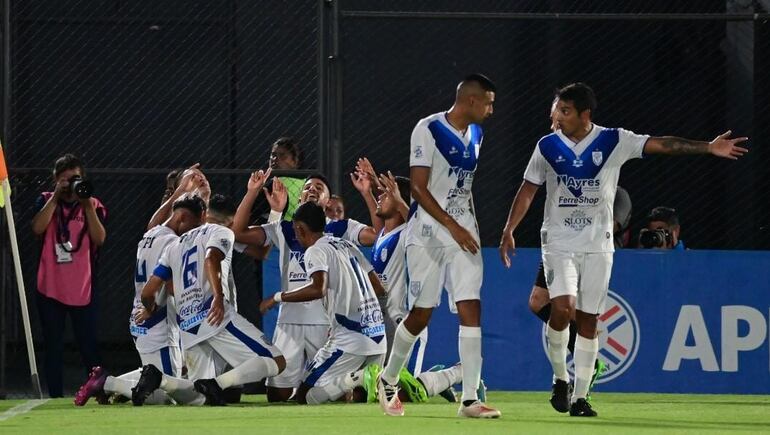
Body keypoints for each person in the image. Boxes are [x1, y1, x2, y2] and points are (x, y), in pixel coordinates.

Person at [499, 82, 748, 417]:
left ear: (585, 114)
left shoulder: (613, 140)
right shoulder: (546, 146)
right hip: (559, 242)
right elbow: (528, 189)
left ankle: (581, 396)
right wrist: (509, 229)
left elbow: (663, 145)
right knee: (561, 309)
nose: (557, 116)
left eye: (565, 110)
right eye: (557, 109)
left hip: (598, 246)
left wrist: (708, 147)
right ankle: (560, 378)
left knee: (588, 321)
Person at [376, 73, 501, 418]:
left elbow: (464, 186)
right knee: (421, 315)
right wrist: (453, 226)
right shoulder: (427, 129)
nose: (492, 109)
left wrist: (469, 226)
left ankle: (470, 399)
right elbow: (417, 188)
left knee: (471, 308)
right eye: (489, 102)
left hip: (463, 233)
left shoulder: (477, 133)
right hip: (428, 234)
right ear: (472, 100)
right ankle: (388, 380)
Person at [232, 171, 378, 402]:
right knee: (276, 395)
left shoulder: (342, 229)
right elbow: (238, 233)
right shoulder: (284, 228)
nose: (312, 189)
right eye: (307, 187)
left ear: (328, 201)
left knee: (332, 396)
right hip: (289, 322)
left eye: (319, 187)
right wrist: (252, 192)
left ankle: (353, 387)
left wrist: (367, 193)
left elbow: (378, 234)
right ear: (299, 199)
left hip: (326, 322)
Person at [132, 190, 286, 406]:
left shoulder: (173, 245)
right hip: (216, 316)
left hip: (188, 324)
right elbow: (212, 258)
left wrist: (150, 308)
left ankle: (161, 380)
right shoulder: (219, 232)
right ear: (204, 215)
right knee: (276, 361)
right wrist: (218, 296)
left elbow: (149, 292)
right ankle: (216, 384)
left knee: (201, 396)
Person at [74, 172, 206, 406]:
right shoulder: (174, 243)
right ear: (183, 219)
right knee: (165, 395)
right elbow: (172, 288)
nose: (192, 232)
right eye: (193, 226)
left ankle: (107, 383)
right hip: (156, 322)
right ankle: (108, 383)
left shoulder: (151, 234)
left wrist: (180, 192)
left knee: (156, 376)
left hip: (140, 321)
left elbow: (156, 220)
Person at [258, 202, 386, 404]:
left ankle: (357, 377)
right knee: (359, 401)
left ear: (300, 228)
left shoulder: (316, 251)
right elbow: (379, 288)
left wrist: (277, 297)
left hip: (350, 340)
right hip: (378, 335)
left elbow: (318, 288)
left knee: (304, 396)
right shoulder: (346, 245)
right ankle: (360, 380)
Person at [31, 153, 107, 398]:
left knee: (89, 345)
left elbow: (100, 239)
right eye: (64, 180)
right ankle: (54, 395)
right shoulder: (45, 200)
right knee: (52, 345)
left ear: (82, 178)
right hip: (50, 286)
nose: (70, 184)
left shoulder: (93, 205)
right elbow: (37, 228)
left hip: (82, 287)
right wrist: (54, 197)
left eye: (74, 179)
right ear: (55, 180)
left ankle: (97, 393)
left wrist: (86, 206)